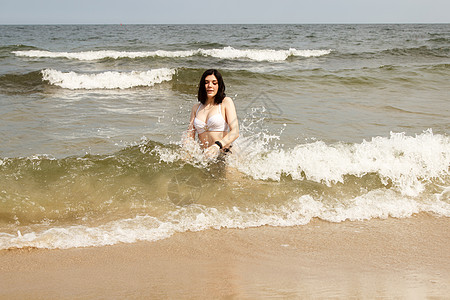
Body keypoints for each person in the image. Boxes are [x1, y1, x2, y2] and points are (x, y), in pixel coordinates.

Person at [184, 69, 239, 159]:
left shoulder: (225, 102)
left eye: (214, 83)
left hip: (224, 154)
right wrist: (186, 152)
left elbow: (235, 132)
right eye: (206, 82)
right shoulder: (196, 108)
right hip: (204, 157)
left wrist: (217, 146)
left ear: (219, 85)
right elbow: (190, 135)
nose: (210, 86)